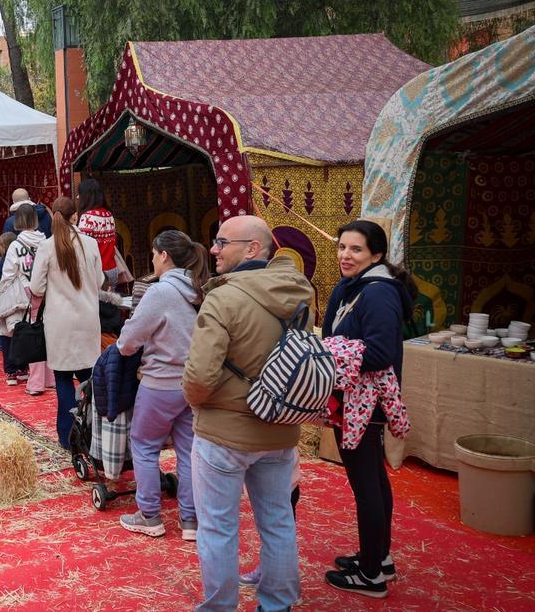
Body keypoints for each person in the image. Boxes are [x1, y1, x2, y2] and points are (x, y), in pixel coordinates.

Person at [183, 215, 311, 611]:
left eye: (222, 242)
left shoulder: (224, 297)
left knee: (218, 528)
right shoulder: (298, 294)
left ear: (252, 249)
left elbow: (199, 376)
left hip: (224, 433)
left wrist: (200, 399)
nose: (214, 250)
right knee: (277, 522)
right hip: (280, 428)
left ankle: (220, 606)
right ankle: (277, 604)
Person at [321, 219, 415, 598]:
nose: (345, 254)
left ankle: (371, 575)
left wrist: (329, 352)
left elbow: (380, 353)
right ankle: (379, 556)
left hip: (364, 403)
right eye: (342, 246)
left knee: (367, 485)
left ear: (376, 254)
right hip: (354, 398)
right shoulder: (355, 287)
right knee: (373, 479)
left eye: (356, 249)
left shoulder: (377, 294)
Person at [115, 230, 210, 541]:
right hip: (192, 382)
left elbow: (129, 340)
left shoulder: (161, 292)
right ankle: (191, 520)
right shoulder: (198, 289)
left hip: (160, 382)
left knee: (143, 445)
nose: (153, 260)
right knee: (188, 450)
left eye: (154, 254)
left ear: (164, 255)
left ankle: (150, 514)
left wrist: (123, 344)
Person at [28, 196, 105, 448]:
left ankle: (67, 436)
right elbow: (100, 282)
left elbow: (36, 287)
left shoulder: (47, 247)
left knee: (62, 379)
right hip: (87, 319)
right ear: (75, 217)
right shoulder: (90, 244)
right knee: (88, 379)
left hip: (59, 322)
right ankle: (92, 434)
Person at [0, 206, 43, 387]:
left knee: (12, 331)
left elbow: (8, 273)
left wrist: (0, 293)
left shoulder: (16, 245)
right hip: (43, 293)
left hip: (21, 294)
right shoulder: (45, 241)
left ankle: (13, 370)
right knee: (39, 332)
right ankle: (32, 371)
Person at [76, 178, 119, 282]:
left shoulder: (87, 217)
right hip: (112, 269)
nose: (77, 197)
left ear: (86, 196)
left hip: (97, 273)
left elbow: (81, 248)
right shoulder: (109, 215)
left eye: (80, 194)